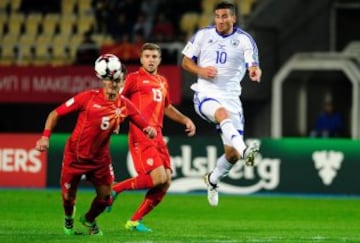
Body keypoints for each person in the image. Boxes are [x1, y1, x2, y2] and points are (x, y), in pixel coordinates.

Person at [35, 54, 157, 236]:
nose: (113, 84)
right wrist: (45, 137)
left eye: (117, 81)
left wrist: (149, 129)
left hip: (100, 161)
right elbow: (55, 114)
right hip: (75, 157)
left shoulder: (125, 105)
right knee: (68, 198)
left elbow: (142, 121)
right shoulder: (87, 98)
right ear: (101, 80)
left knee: (106, 198)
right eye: (109, 81)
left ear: (122, 81)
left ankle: (89, 219)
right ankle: (68, 218)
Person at [108, 43, 196, 232]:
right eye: (147, 56)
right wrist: (115, 121)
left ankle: (134, 221)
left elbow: (167, 107)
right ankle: (115, 189)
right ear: (141, 59)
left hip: (158, 135)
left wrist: (185, 119)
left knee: (166, 181)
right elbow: (118, 101)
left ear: (159, 59)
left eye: (154, 56)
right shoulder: (134, 78)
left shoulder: (163, 81)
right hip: (141, 133)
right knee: (157, 178)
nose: (150, 60)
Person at [181, 1, 262, 207]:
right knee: (221, 113)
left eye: (225, 16)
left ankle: (213, 179)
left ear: (233, 18)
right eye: (217, 16)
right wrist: (201, 71)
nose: (220, 20)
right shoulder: (203, 35)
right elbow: (186, 62)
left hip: (232, 98)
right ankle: (245, 150)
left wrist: (254, 70)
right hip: (205, 94)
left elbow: (252, 62)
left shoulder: (244, 40)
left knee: (231, 155)